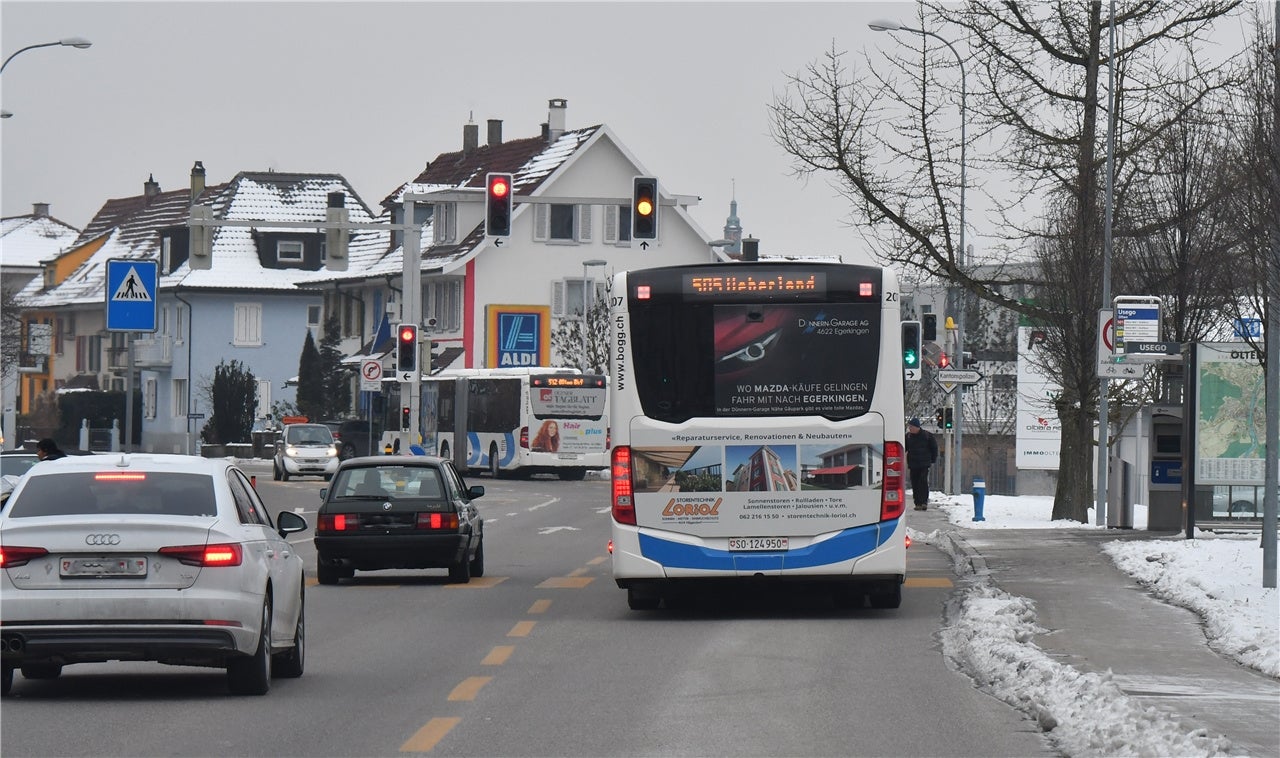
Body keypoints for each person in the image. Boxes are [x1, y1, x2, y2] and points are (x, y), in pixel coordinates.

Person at [904, 418, 937, 511]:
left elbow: (934, 448)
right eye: (909, 426)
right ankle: (917, 503)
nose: (910, 428)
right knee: (915, 483)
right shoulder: (908, 437)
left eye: (911, 426)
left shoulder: (927, 436)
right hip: (913, 464)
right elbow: (904, 448)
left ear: (917, 427)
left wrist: (933, 460)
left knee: (922, 482)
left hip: (924, 463)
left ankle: (923, 502)